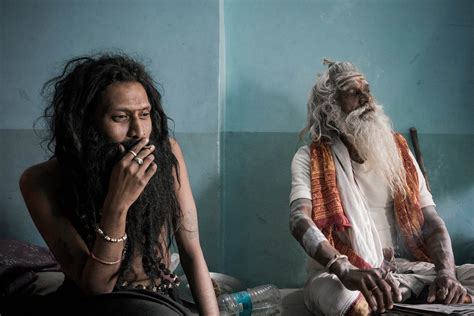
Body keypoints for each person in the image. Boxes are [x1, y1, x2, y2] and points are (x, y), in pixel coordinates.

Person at [15, 54, 219, 315]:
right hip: (98, 304)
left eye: (144, 114)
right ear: (86, 123)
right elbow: (98, 288)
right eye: (120, 117)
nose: (139, 131)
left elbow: (191, 251)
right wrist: (118, 203)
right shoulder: (40, 181)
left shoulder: (167, 153)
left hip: (162, 298)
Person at [289, 60, 473, 315]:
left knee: (466, 275)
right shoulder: (309, 158)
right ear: (331, 107)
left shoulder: (398, 150)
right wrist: (344, 270)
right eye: (353, 92)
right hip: (346, 276)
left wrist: (446, 273)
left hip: (407, 269)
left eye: (367, 89)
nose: (366, 98)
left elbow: (431, 220)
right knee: (350, 302)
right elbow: (299, 219)